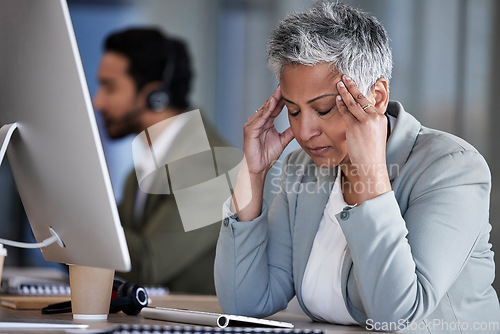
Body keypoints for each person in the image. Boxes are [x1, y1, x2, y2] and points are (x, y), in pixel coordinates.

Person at [214, 1, 500, 331]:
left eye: (322, 110)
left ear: (376, 97)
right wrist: (253, 173)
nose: (304, 132)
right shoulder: (303, 169)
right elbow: (245, 302)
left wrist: (372, 174)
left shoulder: (450, 168)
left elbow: (396, 314)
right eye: (293, 111)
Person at [94, 28, 225, 294]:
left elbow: (146, 266)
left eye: (110, 87)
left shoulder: (209, 166)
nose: (99, 102)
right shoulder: (142, 170)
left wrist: (77, 210)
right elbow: (105, 250)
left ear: (155, 97)